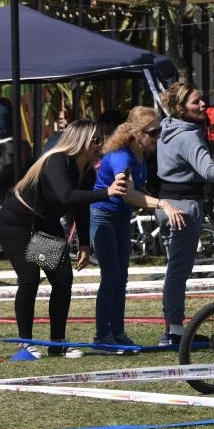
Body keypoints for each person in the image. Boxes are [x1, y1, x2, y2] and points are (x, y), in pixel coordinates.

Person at [0, 119, 127, 359]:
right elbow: (67, 197)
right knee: (29, 278)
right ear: (81, 141)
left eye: (101, 139)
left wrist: (85, 243)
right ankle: (25, 343)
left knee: (63, 279)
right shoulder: (58, 160)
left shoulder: (86, 170)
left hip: (45, 224)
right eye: (96, 139)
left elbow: (81, 206)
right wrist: (107, 191)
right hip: (18, 223)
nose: (101, 144)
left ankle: (58, 343)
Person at [155, 82, 214, 346]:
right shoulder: (188, 135)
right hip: (185, 206)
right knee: (179, 270)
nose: (203, 106)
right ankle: (174, 331)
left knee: (174, 269)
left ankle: (173, 327)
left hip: (168, 203)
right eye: (196, 102)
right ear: (179, 108)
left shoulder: (168, 127)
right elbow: (209, 172)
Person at [90, 107, 185, 346]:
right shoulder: (122, 157)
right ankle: (103, 336)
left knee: (121, 278)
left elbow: (137, 192)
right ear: (136, 133)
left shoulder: (141, 155)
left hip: (121, 219)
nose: (158, 137)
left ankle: (118, 333)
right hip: (103, 216)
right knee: (111, 277)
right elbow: (128, 195)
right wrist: (162, 203)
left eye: (159, 131)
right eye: (153, 132)